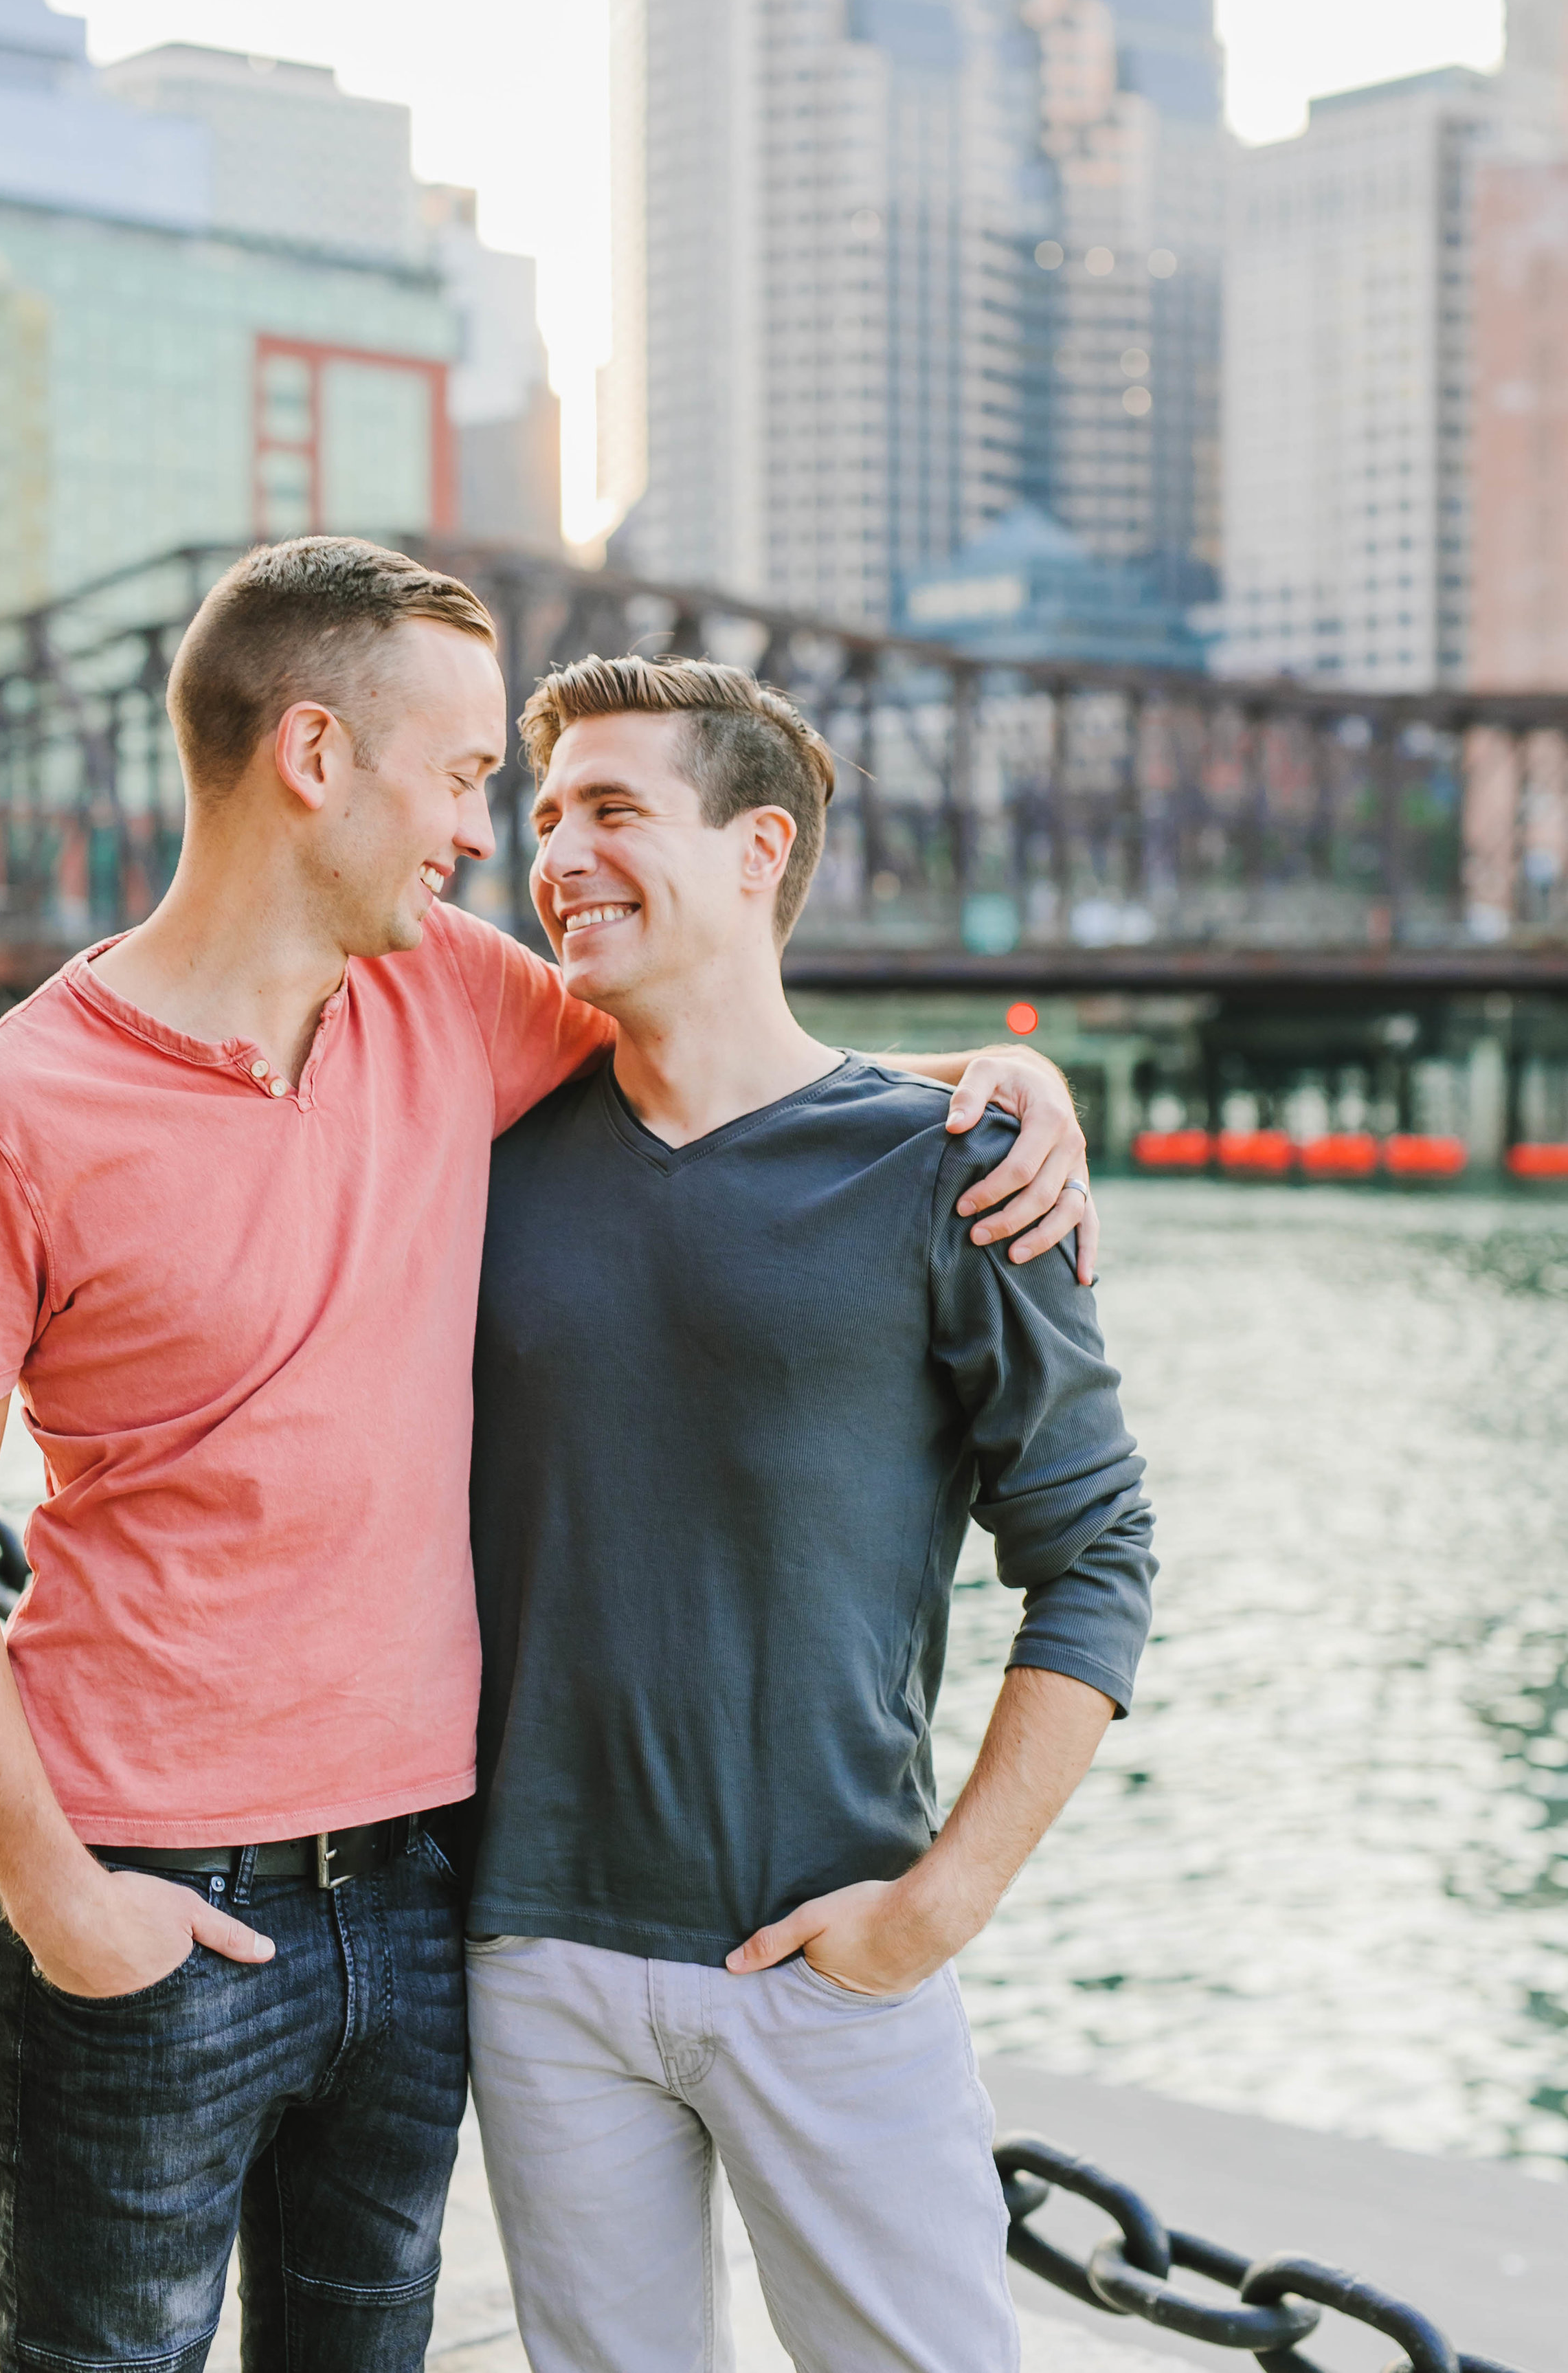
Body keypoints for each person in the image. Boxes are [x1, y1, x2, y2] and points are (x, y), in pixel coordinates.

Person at [0, 538, 1094, 2373]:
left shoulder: (445, 992)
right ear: (310, 758)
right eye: (458, 777)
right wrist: (59, 1895)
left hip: (424, 1887)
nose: (477, 835)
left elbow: (718, 1038)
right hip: (150, 1896)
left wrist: (994, 1079)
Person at [465, 653, 1156, 2373]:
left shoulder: (949, 1169)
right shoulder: (473, 1154)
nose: (556, 852)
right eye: (544, 815)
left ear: (758, 847)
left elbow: (1095, 1558)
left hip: (826, 1952)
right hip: (533, 1955)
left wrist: (932, 1910)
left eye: (614, 809)